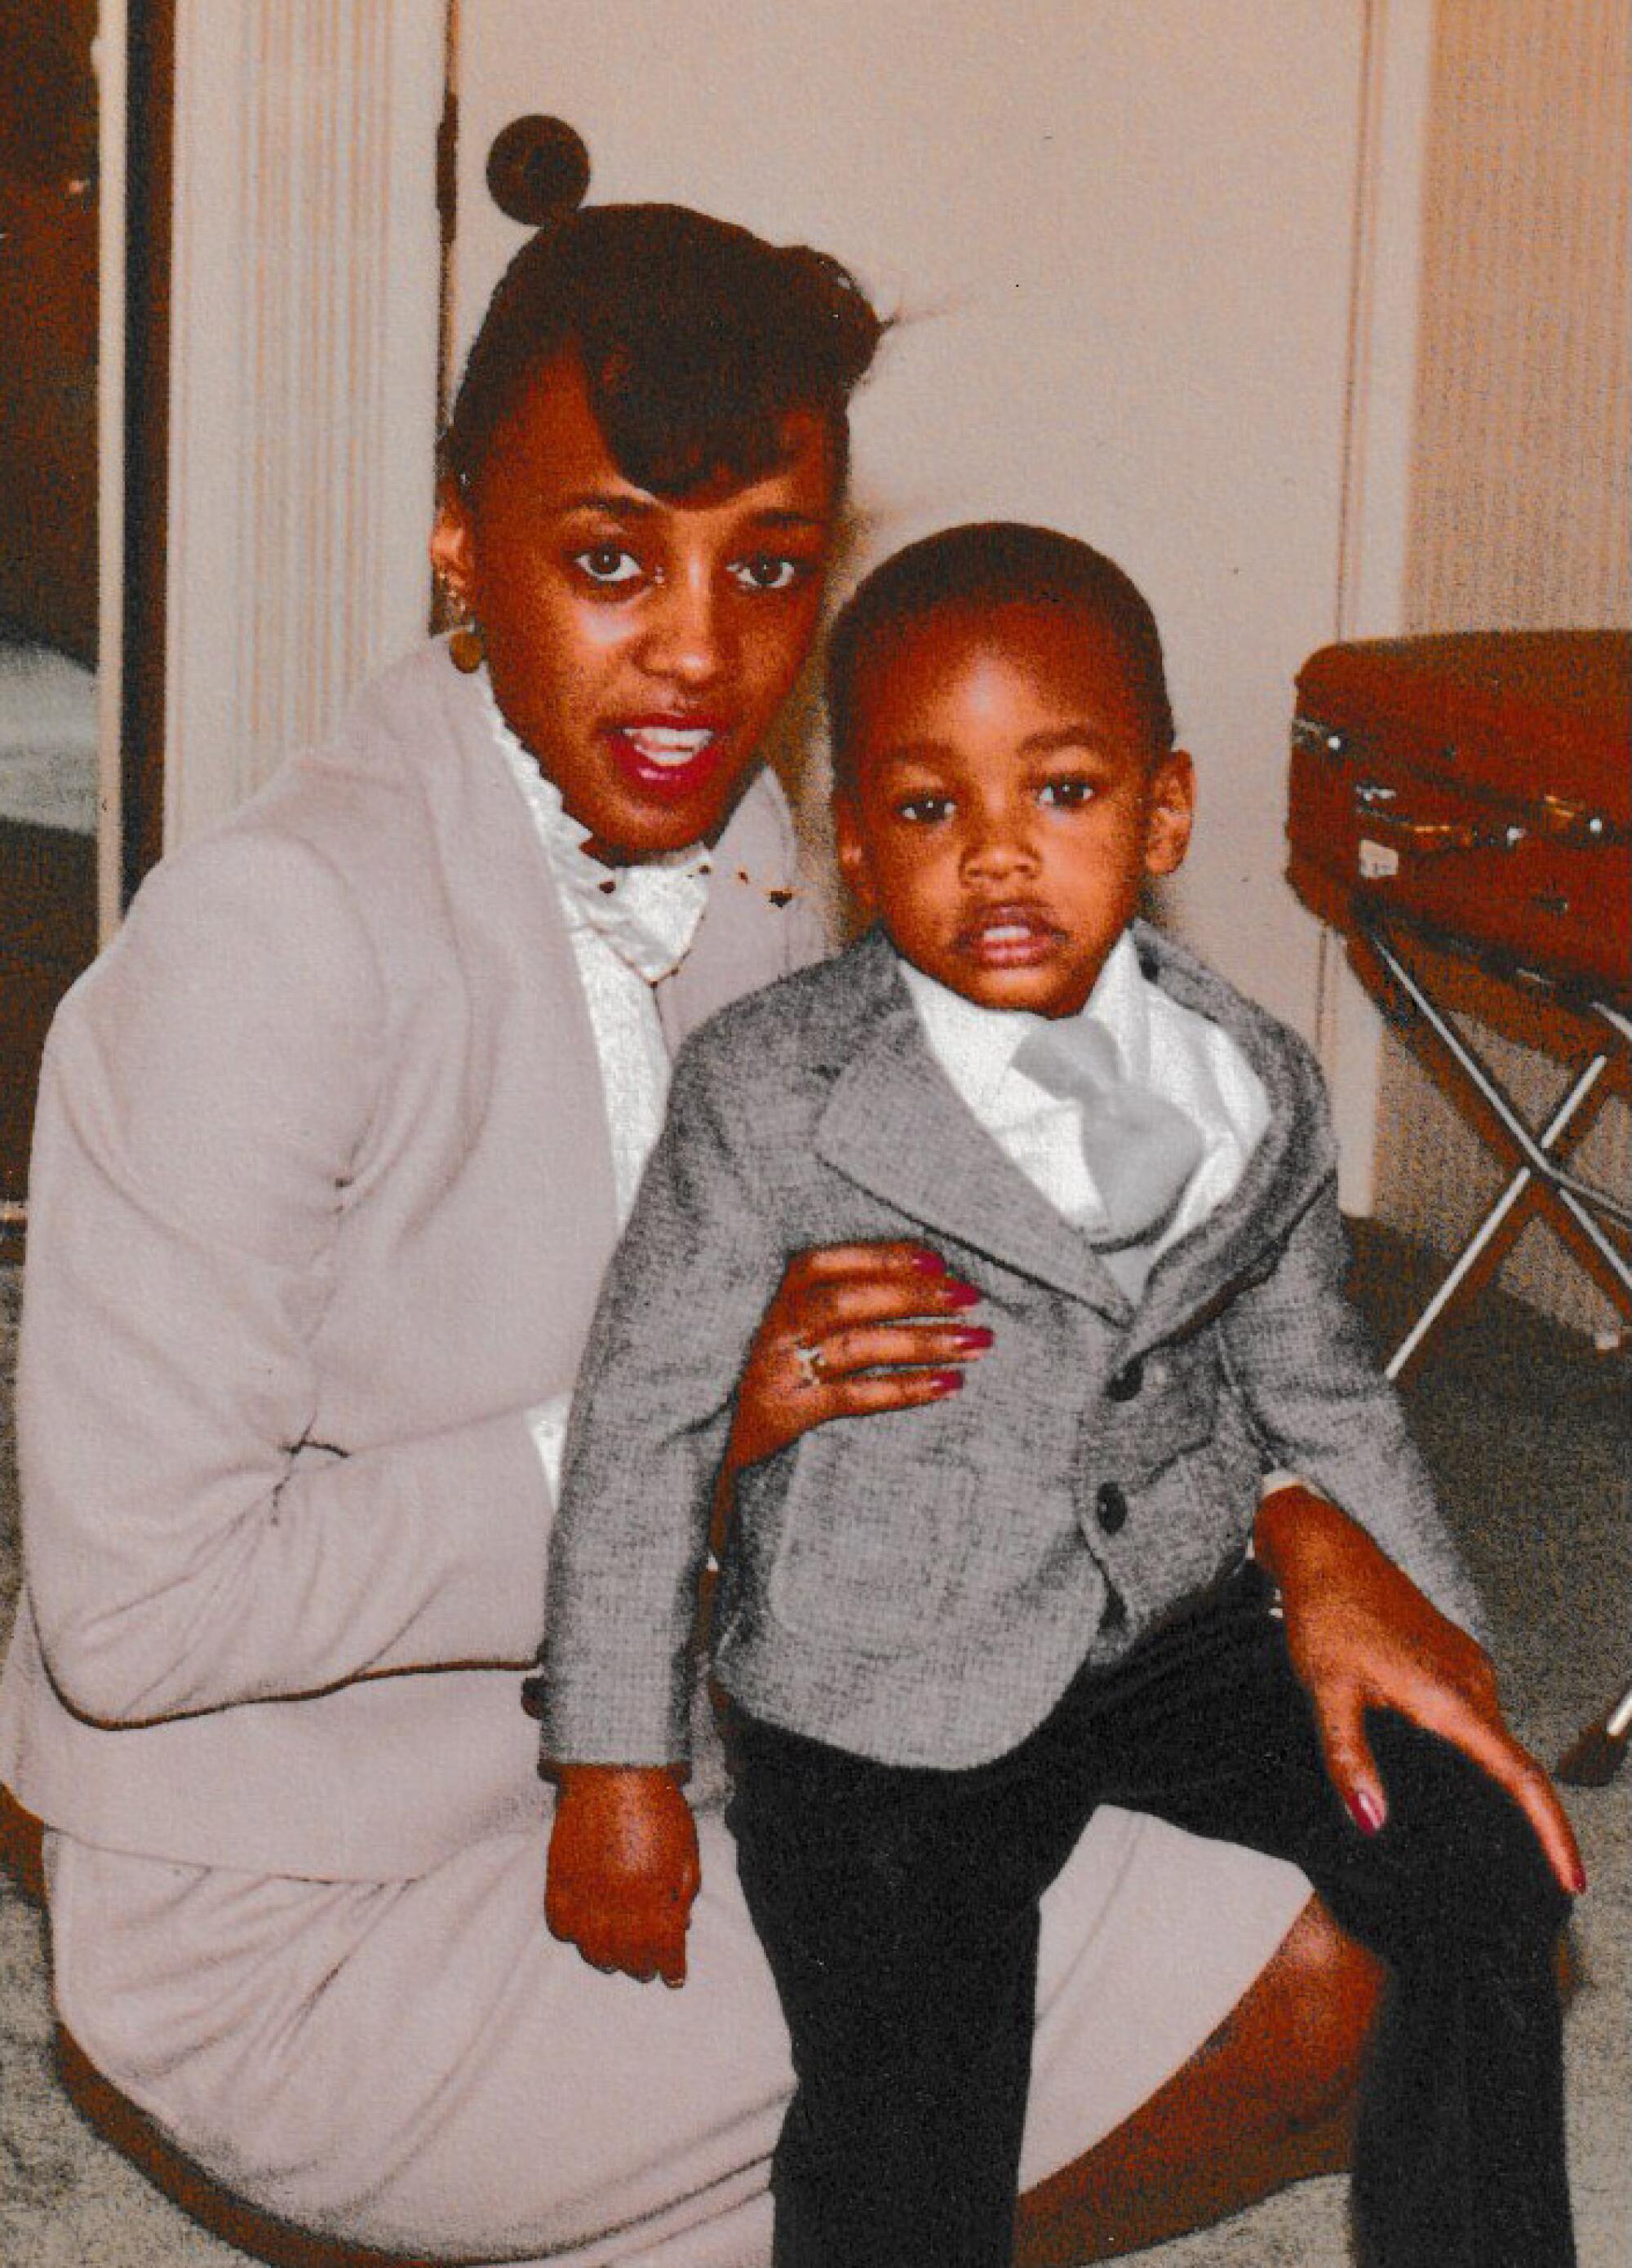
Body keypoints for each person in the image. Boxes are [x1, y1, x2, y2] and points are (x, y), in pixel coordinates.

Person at [0, 193, 1558, 2266]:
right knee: (1315, 1987)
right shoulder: (268, 943)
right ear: (460, 537)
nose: (699, 658)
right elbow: (135, 1616)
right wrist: (677, 1435)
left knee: (1428, 1870)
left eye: (768, 570)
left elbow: (1063, 1307)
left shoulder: (764, 859)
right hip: (324, 1922)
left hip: (737, 1758)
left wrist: (1298, 1528)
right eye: (610, 561)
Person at [534, 524, 1585, 2268]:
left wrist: (1441, 1647)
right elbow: (643, 1419)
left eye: (1068, 790)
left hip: (1173, 1618)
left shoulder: (1242, 1073)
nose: (1003, 853)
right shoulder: (771, 1093)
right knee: (914, 2110)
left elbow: (1318, 1384)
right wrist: (614, 1756)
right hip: (881, 1682)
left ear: (1162, 816)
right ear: (861, 844)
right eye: (933, 810)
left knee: (1488, 1864)